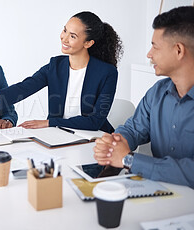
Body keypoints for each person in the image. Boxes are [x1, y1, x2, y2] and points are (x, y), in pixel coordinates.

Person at [93, 6, 194, 189]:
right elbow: (133, 129)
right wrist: (116, 143)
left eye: (155, 46)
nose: (149, 54)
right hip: (160, 194)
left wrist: (128, 159)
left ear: (179, 50)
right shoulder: (158, 92)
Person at [0, 11, 123, 133]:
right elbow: (24, 87)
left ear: (88, 43)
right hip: (58, 135)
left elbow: (95, 121)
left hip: (95, 137)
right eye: (65, 30)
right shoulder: (55, 66)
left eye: (73, 36)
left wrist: (49, 123)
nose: (64, 38)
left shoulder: (107, 73)